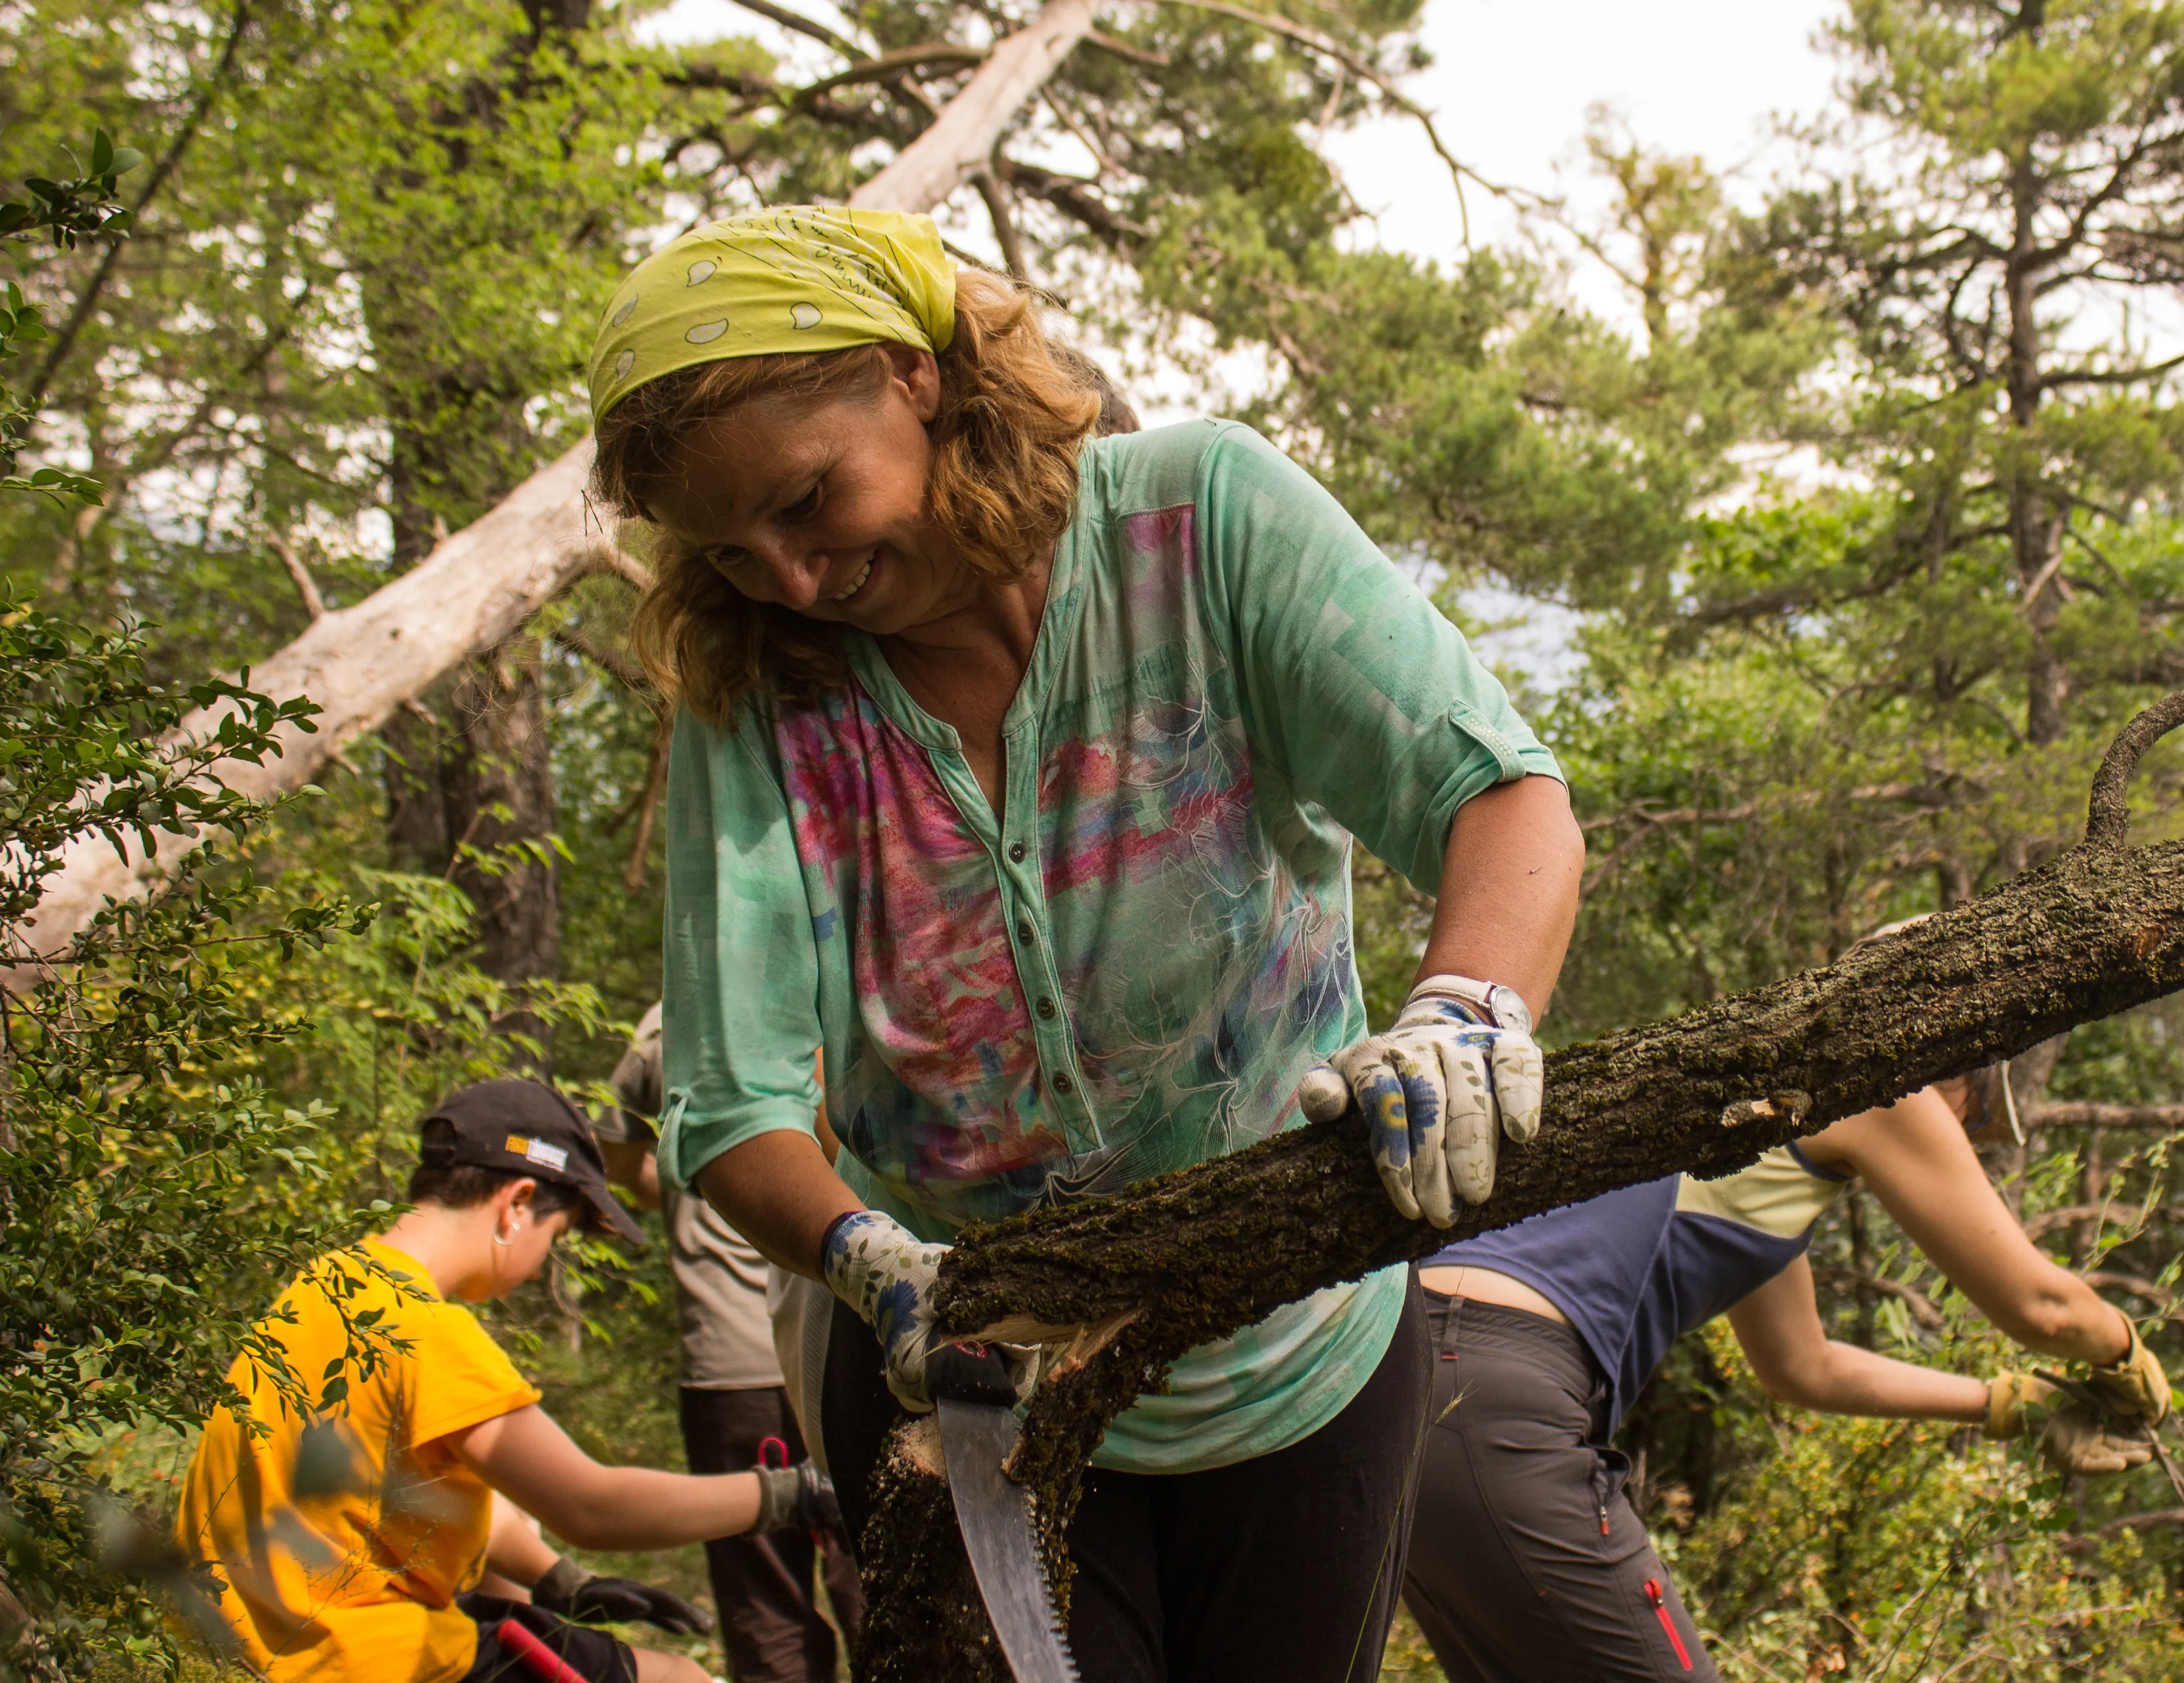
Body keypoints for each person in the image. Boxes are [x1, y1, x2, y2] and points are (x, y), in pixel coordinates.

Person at [582, 206, 1581, 1683]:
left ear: (917, 376)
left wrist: (1468, 1008)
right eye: (728, 551)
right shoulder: (758, 696)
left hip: (1304, 1359)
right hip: (968, 1393)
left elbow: (1494, 794)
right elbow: (732, 1103)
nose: (788, 578)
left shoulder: (1201, 523)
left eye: (806, 501)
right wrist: (869, 1261)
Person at [1405, 1081, 2172, 1683]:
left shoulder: (1750, 1125)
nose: (1963, 1140)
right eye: (1973, 1121)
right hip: (1502, 1400)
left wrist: (2002, 1404)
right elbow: (2047, 1309)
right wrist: (2124, 1350)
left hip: (1399, 1386)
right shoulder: (1890, 1082)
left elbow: (1802, 1364)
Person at [175, 1080, 841, 1683]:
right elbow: (590, 1505)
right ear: (517, 1204)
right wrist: (795, 1494)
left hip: (256, 1641)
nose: (544, 1259)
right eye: (560, 1233)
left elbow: (403, 1494)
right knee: (681, 1679)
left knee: (507, 1560)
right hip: (366, 1657)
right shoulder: (429, 1334)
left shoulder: (323, 1288)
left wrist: (558, 1578)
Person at [598, 1003, 865, 1683]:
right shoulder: (831, 1004)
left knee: (762, 1591)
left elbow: (617, 1156)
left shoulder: (665, 1029)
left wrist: (698, 1194)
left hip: (729, 1359)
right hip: (833, 1335)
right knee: (872, 1571)